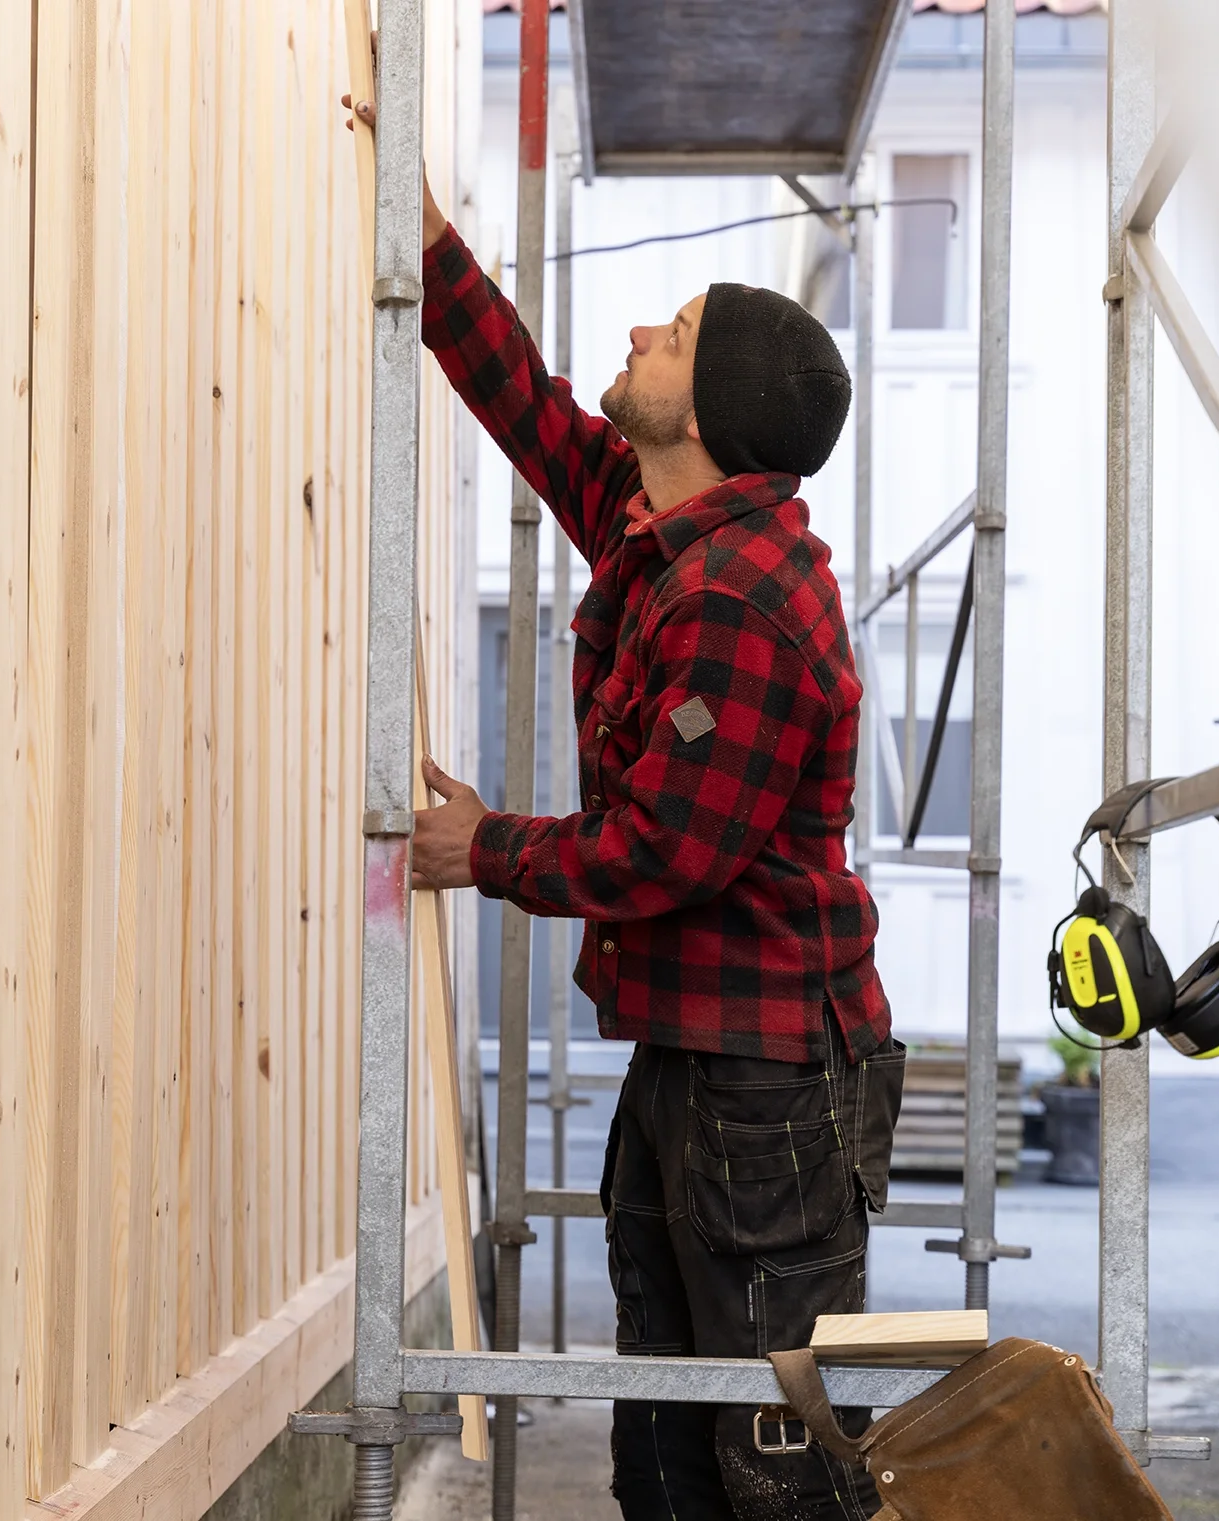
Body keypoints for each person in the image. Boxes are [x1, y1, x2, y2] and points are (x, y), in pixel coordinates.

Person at [346, 100, 906, 1521]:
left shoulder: (748, 601)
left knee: (776, 1458)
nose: (646, 329)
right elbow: (535, 412)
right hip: (701, 1059)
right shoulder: (671, 536)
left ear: (711, 412)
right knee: (663, 1435)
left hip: (770, 1086)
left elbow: (671, 845)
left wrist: (489, 854)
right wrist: (429, 248)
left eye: (676, 328)